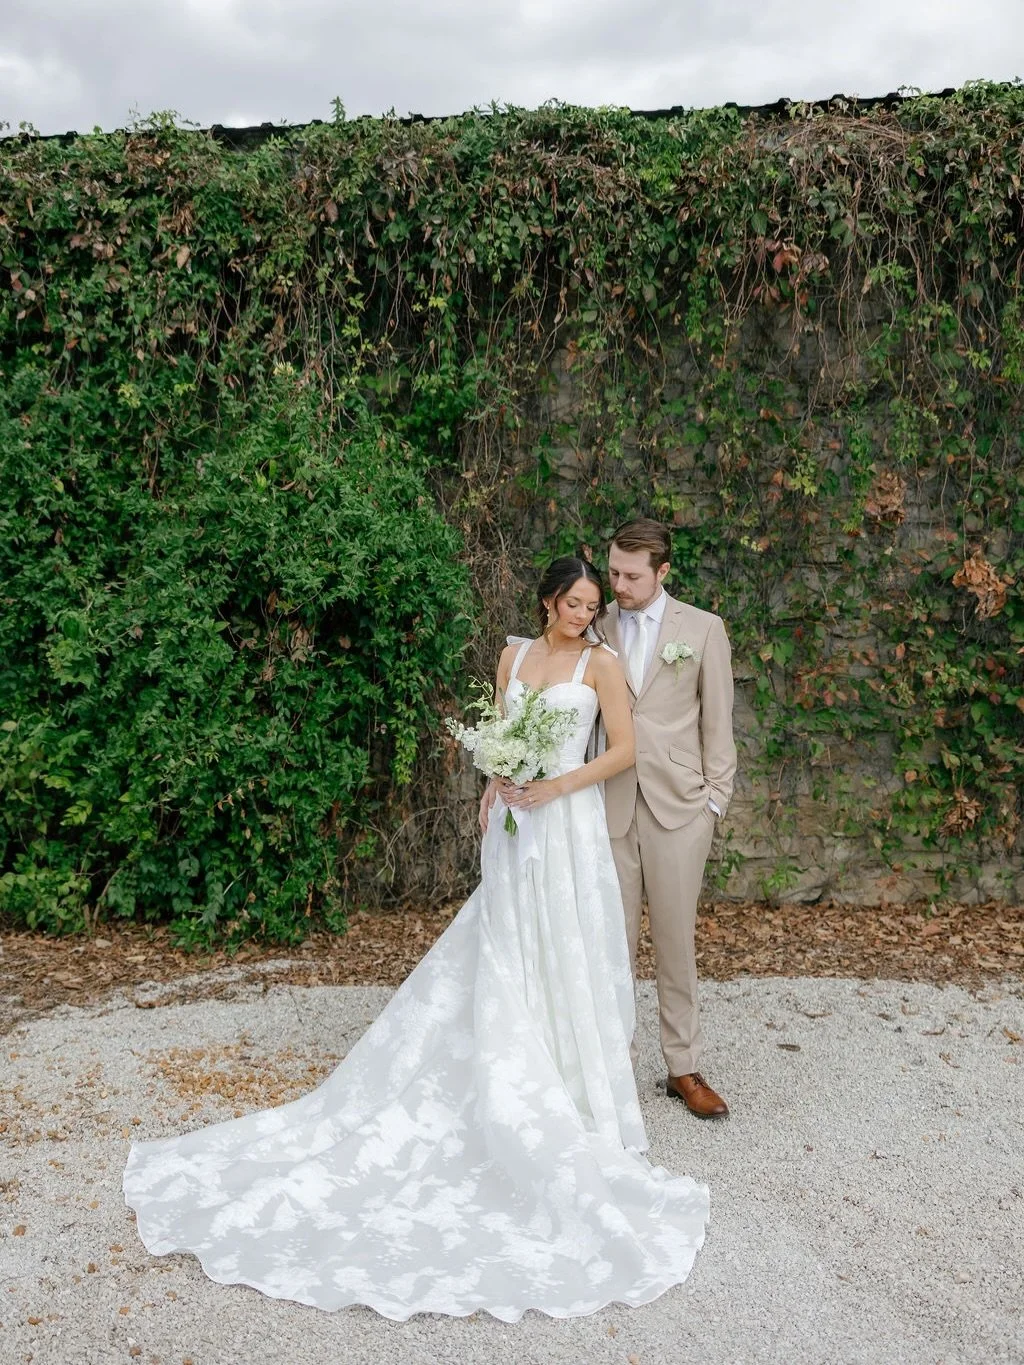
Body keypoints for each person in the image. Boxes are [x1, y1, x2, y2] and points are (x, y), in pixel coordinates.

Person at [123, 555, 709, 1321]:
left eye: (593, 604)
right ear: (546, 601)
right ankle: (495, 1061)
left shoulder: (601, 665)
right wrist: (494, 783)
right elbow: (503, 730)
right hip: (512, 823)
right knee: (504, 942)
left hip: (565, 825)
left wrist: (554, 785)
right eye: (573, 602)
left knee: (565, 946)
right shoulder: (514, 655)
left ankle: (564, 1085)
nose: (584, 613)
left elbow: (622, 750)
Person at [603, 519, 737, 1119]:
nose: (619, 585)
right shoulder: (595, 624)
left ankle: (682, 1067)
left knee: (676, 942)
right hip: (607, 805)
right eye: (613, 572)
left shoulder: (703, 630)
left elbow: (719, 723)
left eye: (632, 575)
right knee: (612, 942)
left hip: (681, 806)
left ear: (663, 572)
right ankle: (611, 1064)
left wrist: (714, 800)